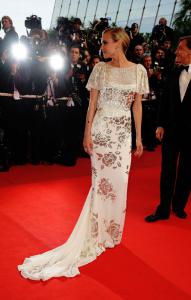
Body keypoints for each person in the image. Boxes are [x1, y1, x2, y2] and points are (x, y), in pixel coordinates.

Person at [18, 27, 149, 280]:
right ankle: (98, 233)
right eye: (102, 43)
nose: (102, 47)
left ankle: (112, 232)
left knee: (120, 183)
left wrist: (139, 137)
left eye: (106, 43)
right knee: (101, 185)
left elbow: (137, 105)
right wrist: (87, 133)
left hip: (122, 135)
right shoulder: (100, 69)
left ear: (119, 43)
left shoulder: (139, 71)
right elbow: (92, 104)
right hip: (101, 132)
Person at [145, 35, 191, 222]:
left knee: (187, 171)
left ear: (190, 51)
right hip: (171, 130)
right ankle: (163, 209)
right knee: (167, 171)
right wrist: (160, 124)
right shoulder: (173, 72)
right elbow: (164, 102)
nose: (176, 51)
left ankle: (178, 205)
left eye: (180, 48)